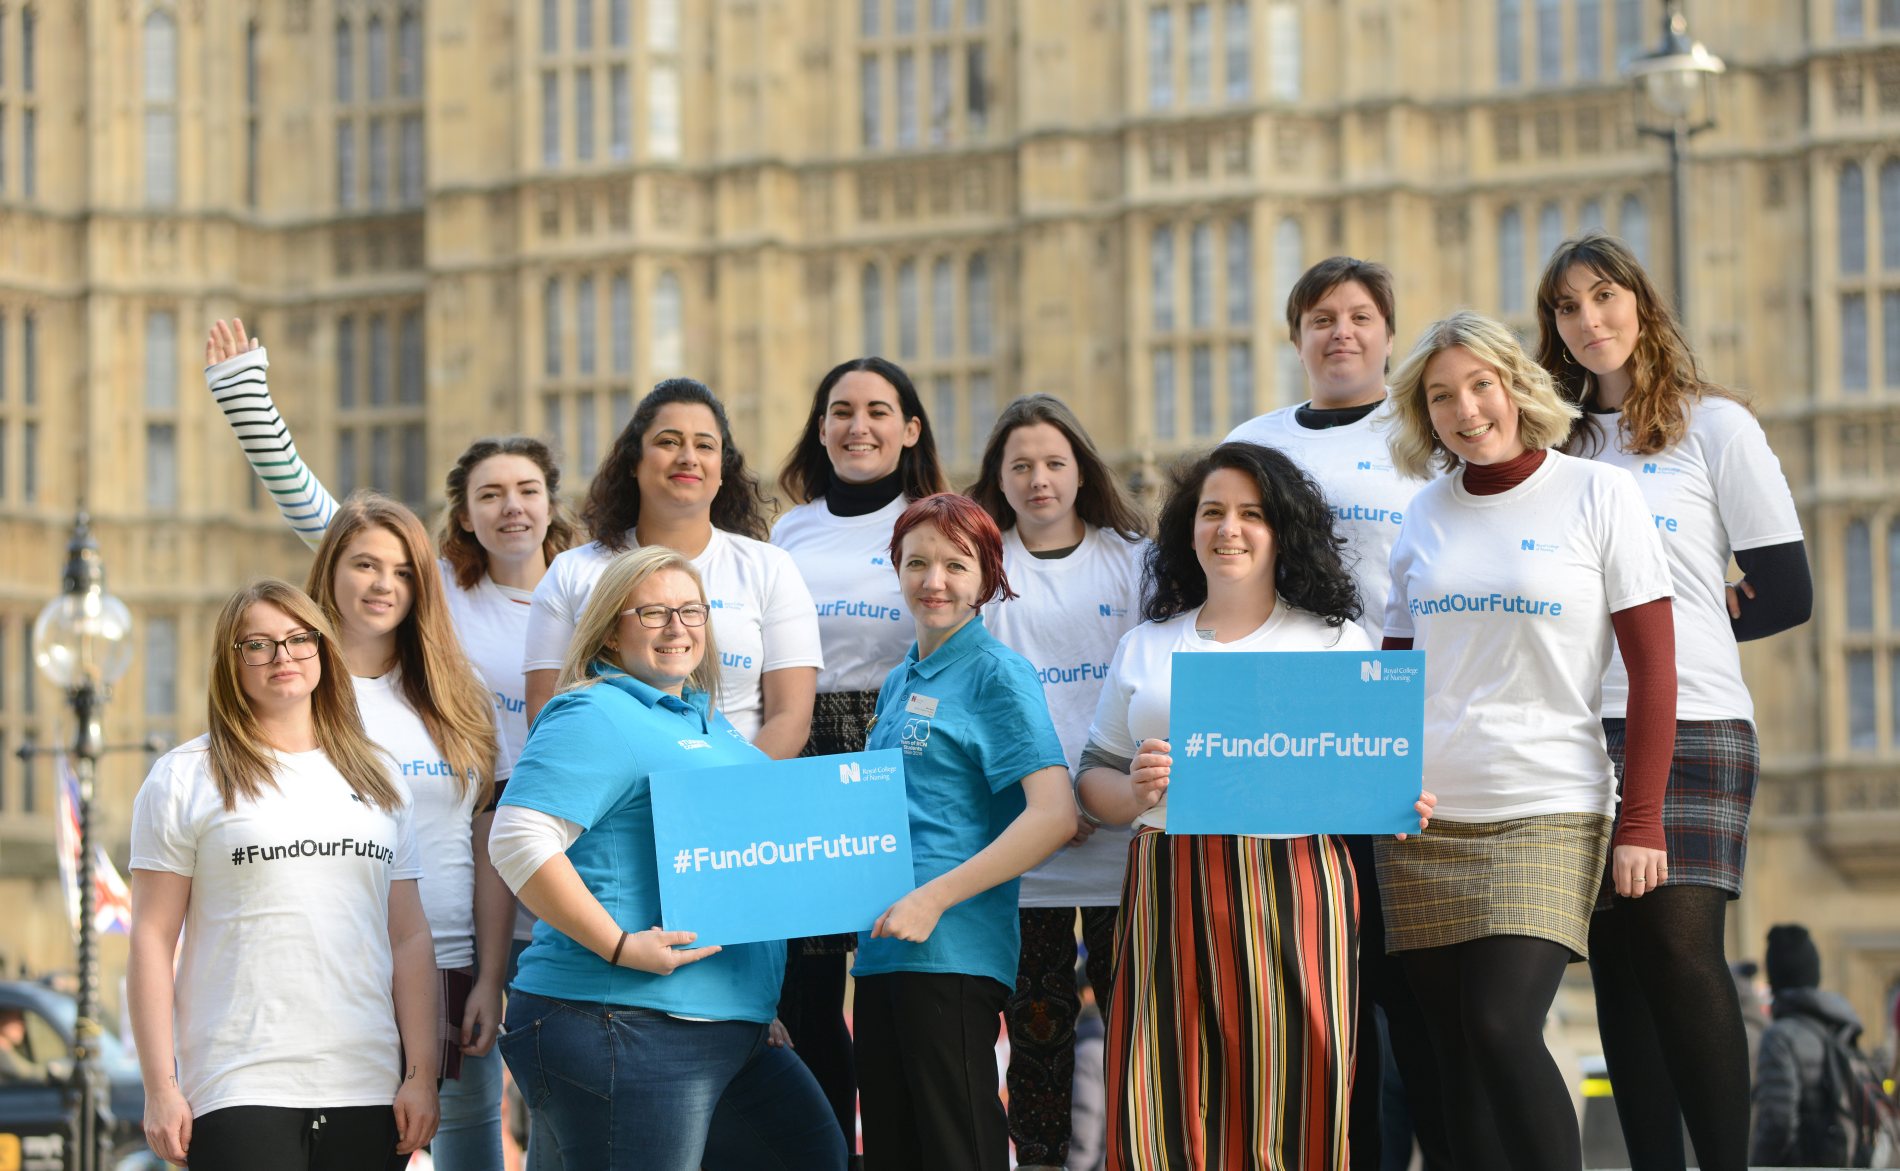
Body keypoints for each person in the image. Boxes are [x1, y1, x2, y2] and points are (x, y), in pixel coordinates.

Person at [205, 318, 576, 1170]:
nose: (386, 584)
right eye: (367, 566)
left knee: (475, 1143)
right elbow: (318, 509)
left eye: (402, 572)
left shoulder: (464, 690)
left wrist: (487, 974)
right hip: (328, 961)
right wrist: (248, 398)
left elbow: (485, 835)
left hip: (450, 953)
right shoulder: (300, 684)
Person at [1533, 231, 1812, 1171]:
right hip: (1576, 729)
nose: (1589, 320)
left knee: (1684, 951)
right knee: (1617, 972)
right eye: (1568, 307)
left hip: (1693, 717)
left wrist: (1678, 632)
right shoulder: (1553, 444)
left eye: (1603, 296)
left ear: (1640, 304)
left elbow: (1785, 587)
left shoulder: (1714, 427)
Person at [1076, 441, 1434, 1171]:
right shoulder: (1147, 644)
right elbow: (1094, 778)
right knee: (1162, 1095)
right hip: (1167, 882)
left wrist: (1401, 793)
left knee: (1292, 1088)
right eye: (1212, 512)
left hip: (1294, 882)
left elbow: (1374, 772)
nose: (1229, 529)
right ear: (1189, 529)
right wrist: (1135, 789)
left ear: (1282, 529)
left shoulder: (1335, 640)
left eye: (1251, 513)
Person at [1377, 310, 1678, 1171]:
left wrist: (1643, 820)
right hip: (1423, 819)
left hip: (1548, 801)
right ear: (1423, 414)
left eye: (1480, 385)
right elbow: (1397, 672)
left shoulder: (1599, 494)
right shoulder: (1423, 513)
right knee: (1452, 1059)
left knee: (1501, 1023)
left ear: (1515, 386)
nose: (1466, 410)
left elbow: (1655, 672)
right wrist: (1380, 784)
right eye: (1441, 397)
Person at [487, 546, 844, 1171]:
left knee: (811, 1152)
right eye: (652, 612)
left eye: (691, 610)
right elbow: (517, 839)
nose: (677, 627)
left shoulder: (711, 723)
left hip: (729, 1025)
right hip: (622, 1016)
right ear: (608, 628)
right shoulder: (594, 712)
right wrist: (621, 947)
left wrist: (753, 1006)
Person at [1225, 257, 1450, 1171]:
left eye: (1360, 316)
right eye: (1322, 317)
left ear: (1390, 334)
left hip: (1411, 711)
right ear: (1296, 336)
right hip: (1299, 718)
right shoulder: (1259, 440)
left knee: (1417, 978)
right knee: (1330, 971)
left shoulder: (1428, 432)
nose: (1341, 332)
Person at [127, 580, 439, 1170]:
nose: (282, 657)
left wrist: (419, 1074)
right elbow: (151, 938)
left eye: (299, 639)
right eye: (259, 645)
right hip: (238, 1082)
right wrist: (160, 1087)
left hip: (366, 1083)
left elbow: (410, 936)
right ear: (231, 661)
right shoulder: (185, 777)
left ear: (322, 650)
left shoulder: (380, 777)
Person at [851, 493, 1078, 1171]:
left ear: (987, 575)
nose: (934, 580)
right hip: (881, 952)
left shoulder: (996, 673)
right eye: (917, 562)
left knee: (961, 1153)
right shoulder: (899, 681)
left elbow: (1054, 814)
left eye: (955, 563)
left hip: (949, 953)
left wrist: (933, 898)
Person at [771, 356, 949, 1158]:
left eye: (879, 410)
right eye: (841, 410)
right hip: (803, 741)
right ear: (820, 428)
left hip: (902, 738)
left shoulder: (938, 518)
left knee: (900, 973)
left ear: (910, 429)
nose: (858, 426)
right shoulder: (789, 529)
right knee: (805, 983)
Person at [965, 394, 1148, 1171]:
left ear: (1081, 470)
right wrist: (1045, 801)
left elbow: (1154, 679)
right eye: (1021, 466)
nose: (1039, 480)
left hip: (1124, 844)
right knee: (1035, 1045)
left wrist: (1101, 794)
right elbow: (978, 703)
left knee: (1140, 1035)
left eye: (1053, 463)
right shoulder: (981, 570)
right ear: (998, 480)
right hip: (1027, 849)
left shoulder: (1134, 558)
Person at [524, 378, 822, 759]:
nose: (688, 457)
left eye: (705, 445)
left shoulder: (770, 568)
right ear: (634, 461)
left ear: (722, 469)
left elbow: (790, 717)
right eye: (668, 442)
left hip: (740, 796)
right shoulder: (572, 572)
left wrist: (729, 794)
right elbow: (546, 712)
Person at [1749, 925, 1866, 1165]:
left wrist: (1759, 1165)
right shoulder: (1840, 1025)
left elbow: (1778, 1120)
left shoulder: (1780, 1036)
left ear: (1775, 976)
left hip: (1803, 1162)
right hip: (1847, 1158)